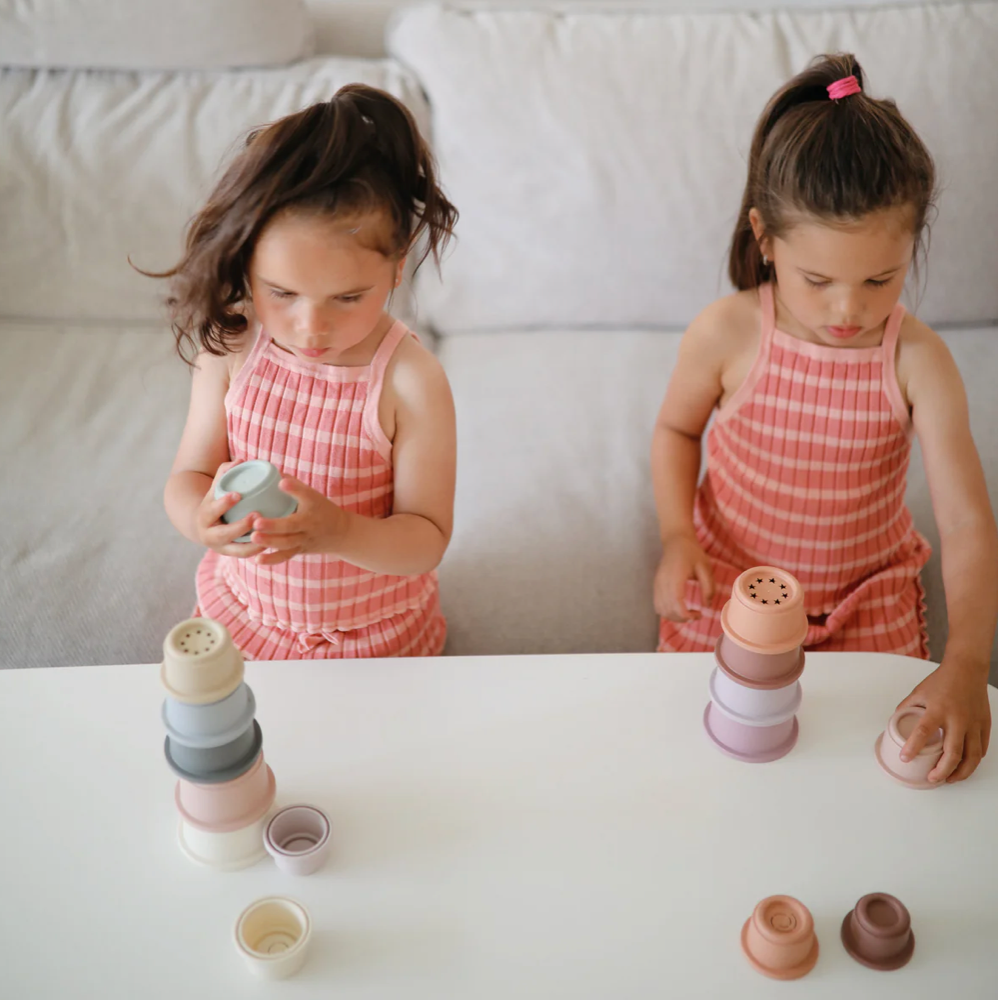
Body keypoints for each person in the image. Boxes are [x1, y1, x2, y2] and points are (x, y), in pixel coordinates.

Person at [651, 55, 997, 782]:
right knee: (704, 761)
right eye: (818, 281)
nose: (850, 310)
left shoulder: (919, 361)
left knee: (872, 773)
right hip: (731, 590)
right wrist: (678, 534)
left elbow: (965, 520)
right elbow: (678, 432)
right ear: (764, 237)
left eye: (881, 279)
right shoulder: (727, 333)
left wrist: (968, 661)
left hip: (864, 606)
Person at [157, 84, 458, 659]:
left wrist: (337, 532)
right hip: (245, 615)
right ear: (245, 261)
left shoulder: (409, 381)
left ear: (397, 267)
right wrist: (203, 522)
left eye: (348, 297)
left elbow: (425, 539)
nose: (310, 327)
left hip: (373, 634)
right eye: (282, 293)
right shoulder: (232, 352)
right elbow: (187, 478)